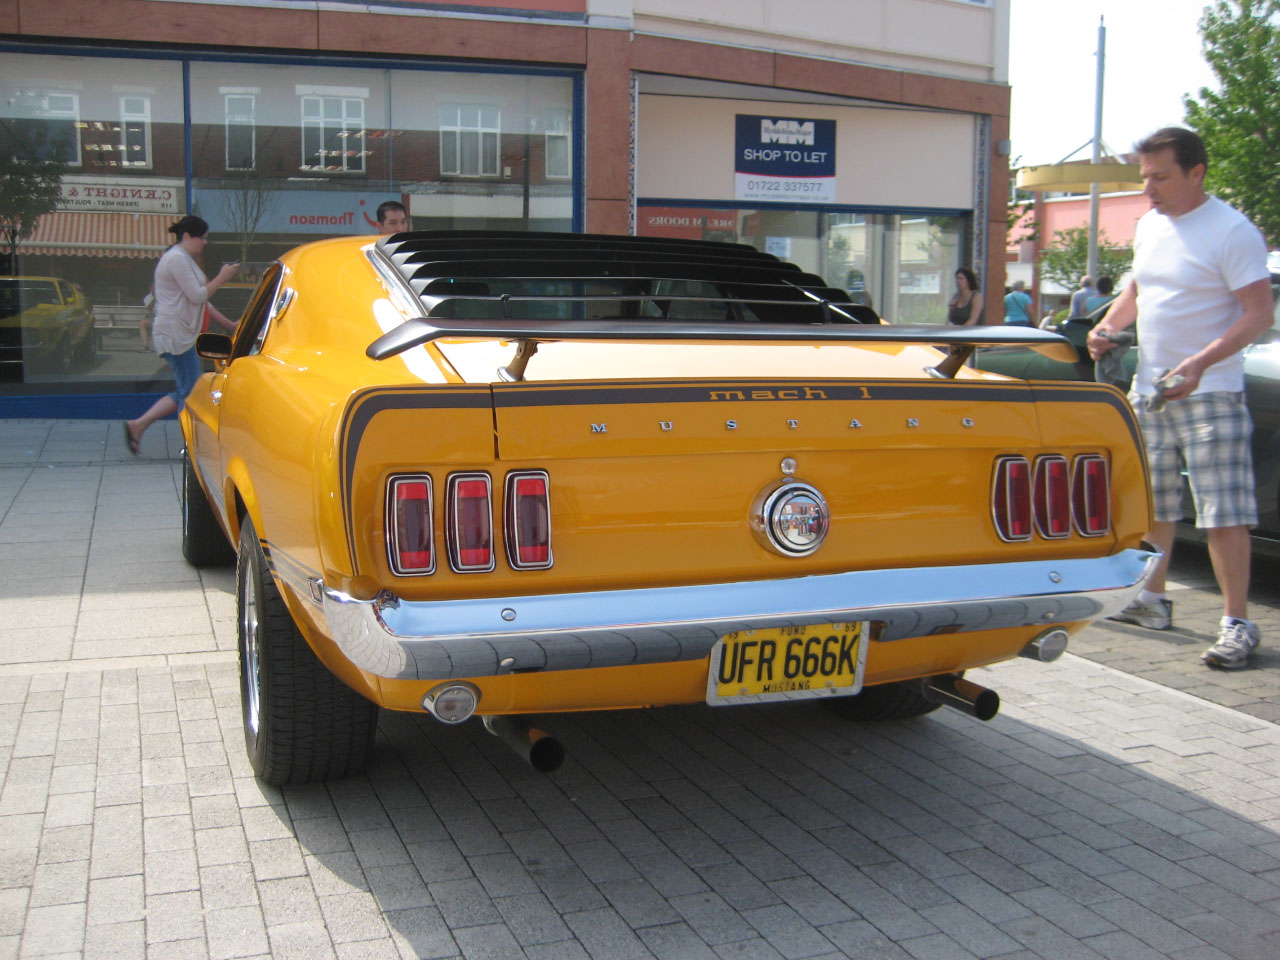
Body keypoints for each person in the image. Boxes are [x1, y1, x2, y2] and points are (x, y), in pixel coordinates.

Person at [1086, 126, 1273, 669]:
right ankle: (1152, 600)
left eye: (1161, 177)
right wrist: (1107, 326)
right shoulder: (1148, 226)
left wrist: (1198, 364)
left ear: (1197, 172)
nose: (1150, 188)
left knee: (1223, 513)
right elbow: (1137, 291)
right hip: (1151, 390)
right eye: (1146, 177)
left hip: (1210, 391)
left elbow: (1258, 314)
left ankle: (1237, 623)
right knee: (1155, 505)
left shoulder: (1232, 231)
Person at [123, 216, 239, 455]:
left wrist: (230, 324)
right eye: (202, 237)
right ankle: (189, 448)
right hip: (176, 335)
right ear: (187, 236)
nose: (204, 242)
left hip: (179, 334)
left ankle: (138, 426)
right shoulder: (177, 259)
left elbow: (201, 302)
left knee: (187, 389)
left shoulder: (184, 259)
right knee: (192, 392)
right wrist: (222, 277)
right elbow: (198, 296)